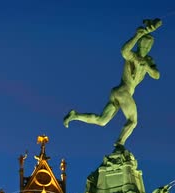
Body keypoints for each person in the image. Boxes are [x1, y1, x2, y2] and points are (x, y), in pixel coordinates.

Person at [63, 19, 162, 147]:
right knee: (132, 121)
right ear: (139, 45)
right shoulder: (133, 56)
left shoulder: (148, 61)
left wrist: (147, 67)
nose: (146, 48)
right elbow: (124, 51)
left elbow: (156, 75)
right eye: (144, 45)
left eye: (149, 47)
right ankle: (119, 143)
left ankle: (75, 115)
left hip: (118, 92)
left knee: (102, 120)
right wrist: (137, 36)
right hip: (123, 91)